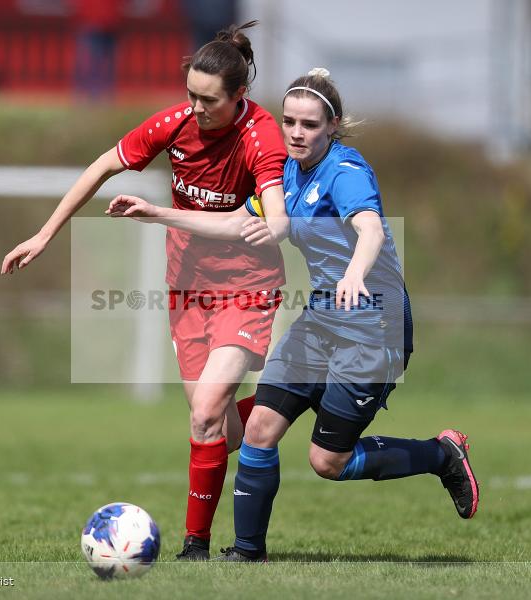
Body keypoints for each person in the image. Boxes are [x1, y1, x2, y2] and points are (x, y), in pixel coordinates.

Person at [109, 68, 480, 563]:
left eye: (309, 124)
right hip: (323, 318)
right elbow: (236, 224)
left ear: (333, 125)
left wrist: (353, 275)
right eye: (289, 122)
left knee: (328, 461)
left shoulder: (346, 172)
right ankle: (246, 553)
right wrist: (158, 213)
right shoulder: (284, 172)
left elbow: (369, 230)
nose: (297, 133)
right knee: (258, 429)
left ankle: (440, 454)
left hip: (373, 326)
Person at [1, 21, 289, 561]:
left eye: (210, 101)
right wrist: (44, 234)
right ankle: (283, 406)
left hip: (247, 290)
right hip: (187, 289)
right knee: (218, 428)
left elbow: (276, 220)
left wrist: (259, 221)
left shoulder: (261, 137)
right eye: (191, 96)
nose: (197, 109)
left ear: (240, 96)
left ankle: (195, 547)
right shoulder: (176, 122)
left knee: (204, 410)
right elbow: (104, 165)